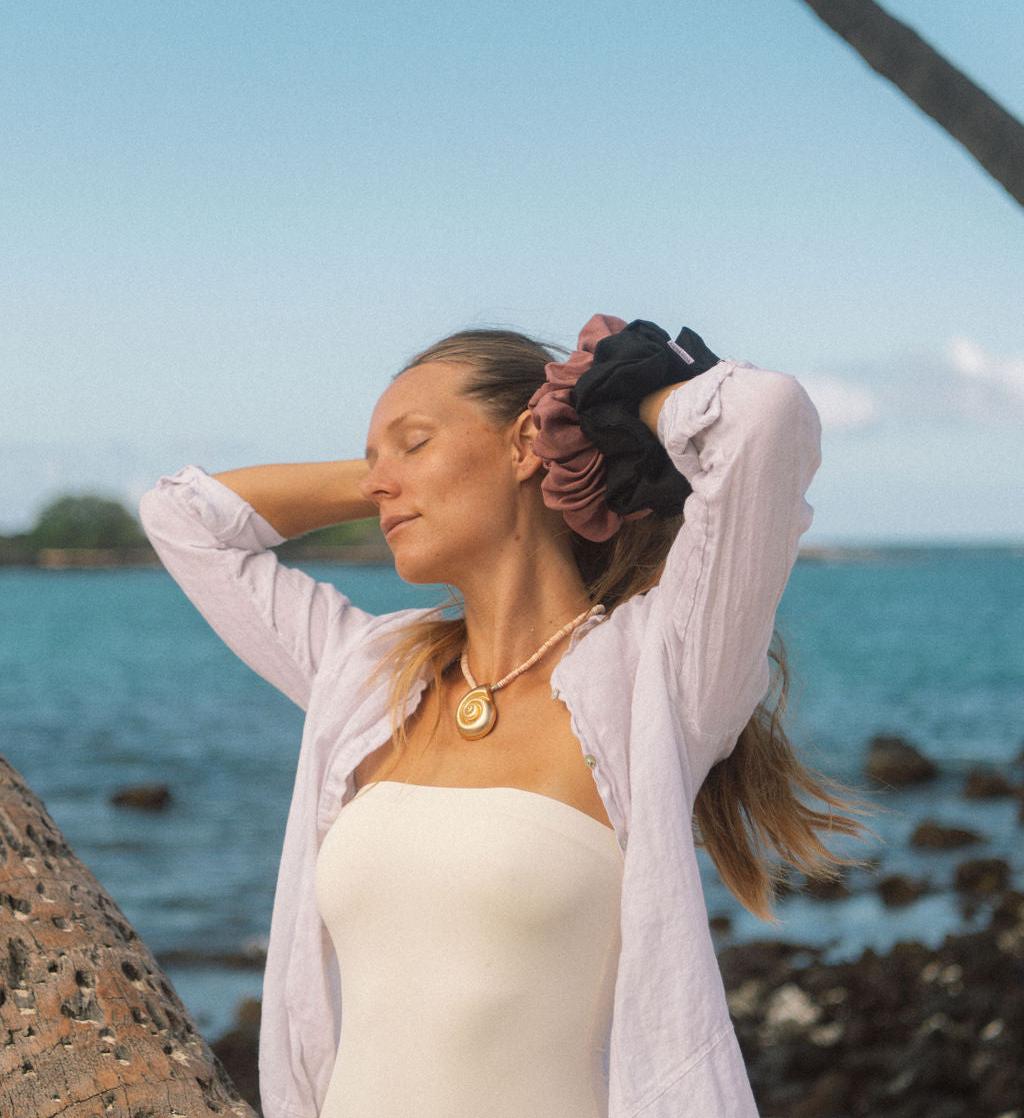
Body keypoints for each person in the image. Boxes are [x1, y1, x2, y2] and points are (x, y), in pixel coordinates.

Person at [140, 314, 864, 1118]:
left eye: (415, 442)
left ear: (525, 444)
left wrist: (599, 414)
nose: (378, 485)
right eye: (373, 461)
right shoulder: (369, 677)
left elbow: (765, 417)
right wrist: (394, 474)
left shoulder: (658, 673)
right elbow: (183, 519)